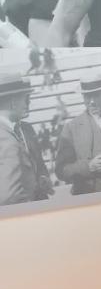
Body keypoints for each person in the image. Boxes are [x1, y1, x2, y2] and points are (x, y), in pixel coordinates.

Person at [0, 74, 50, 205]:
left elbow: (38, 165)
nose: (29, 103)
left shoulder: (27, 129)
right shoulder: (4, 136)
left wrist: (41, 178)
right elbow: (9, 195)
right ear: (13, 101)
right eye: (26, 98)